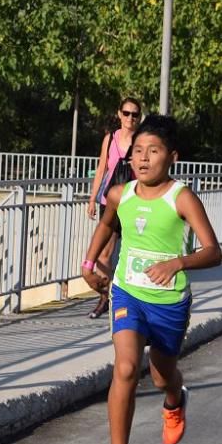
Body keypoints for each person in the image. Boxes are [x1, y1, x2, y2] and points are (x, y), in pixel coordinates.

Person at [81, 114, 222, 444]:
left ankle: (175, 399)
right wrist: (89, 263)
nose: (143, 159)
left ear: (171, 156)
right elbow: (108, 224)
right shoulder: (120, 194)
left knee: (161, 376)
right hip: (128, 293)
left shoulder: (182, 197)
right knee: (125, 368)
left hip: (169, 302)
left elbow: (214, 252)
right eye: (138, 151)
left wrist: (178, 262)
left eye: (153, 151)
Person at [86, 97, 142, 319]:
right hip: (108, 201)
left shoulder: (141, 140)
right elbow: (101, 169)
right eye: (126, 113)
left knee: (131, 252)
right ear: (119, 114)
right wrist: (92, 199)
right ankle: (106, 297)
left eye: (135, 114)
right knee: (104, 253)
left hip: (132, 201)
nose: (130, 118)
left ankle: (123, 297)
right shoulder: (110, 139)